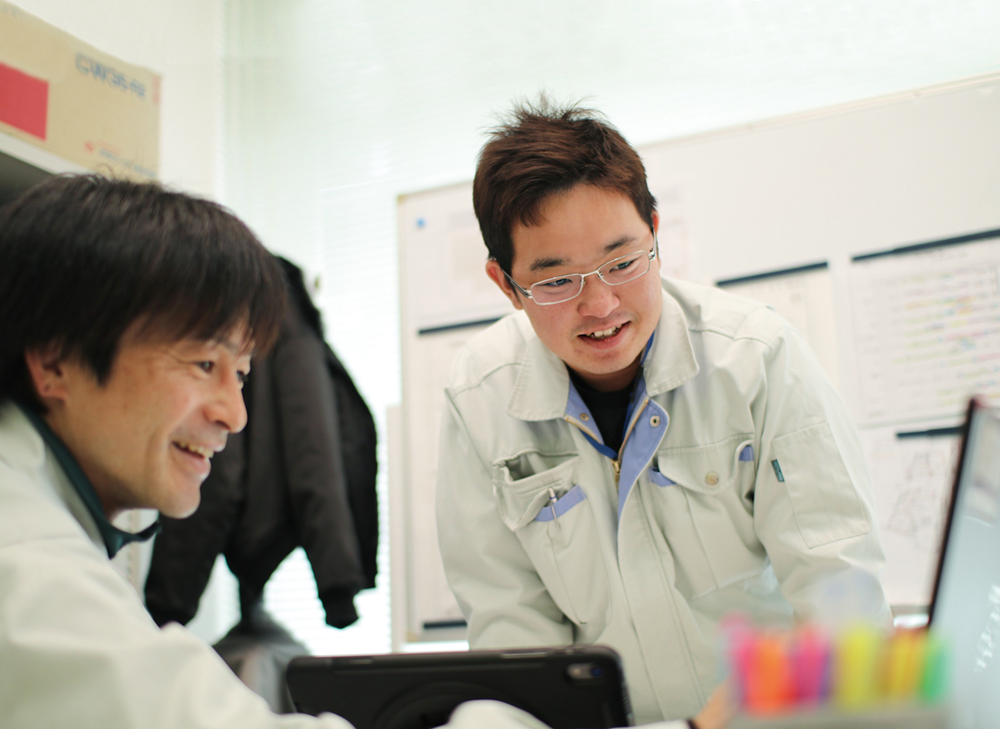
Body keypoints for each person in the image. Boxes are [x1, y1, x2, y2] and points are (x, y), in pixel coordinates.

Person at [0, 174, 555, 729]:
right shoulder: (26, 563)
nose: (235, 415)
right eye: (203, 364)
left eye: (241, 374)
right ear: (55, 363)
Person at [435, 99, 892, 724]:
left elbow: (841, 603)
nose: (600, 305)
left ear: (655, 232)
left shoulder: (755, 359)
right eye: (556, 281)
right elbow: (516, 652)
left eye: (622, 262)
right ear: (506, 284)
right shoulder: (479, 399)